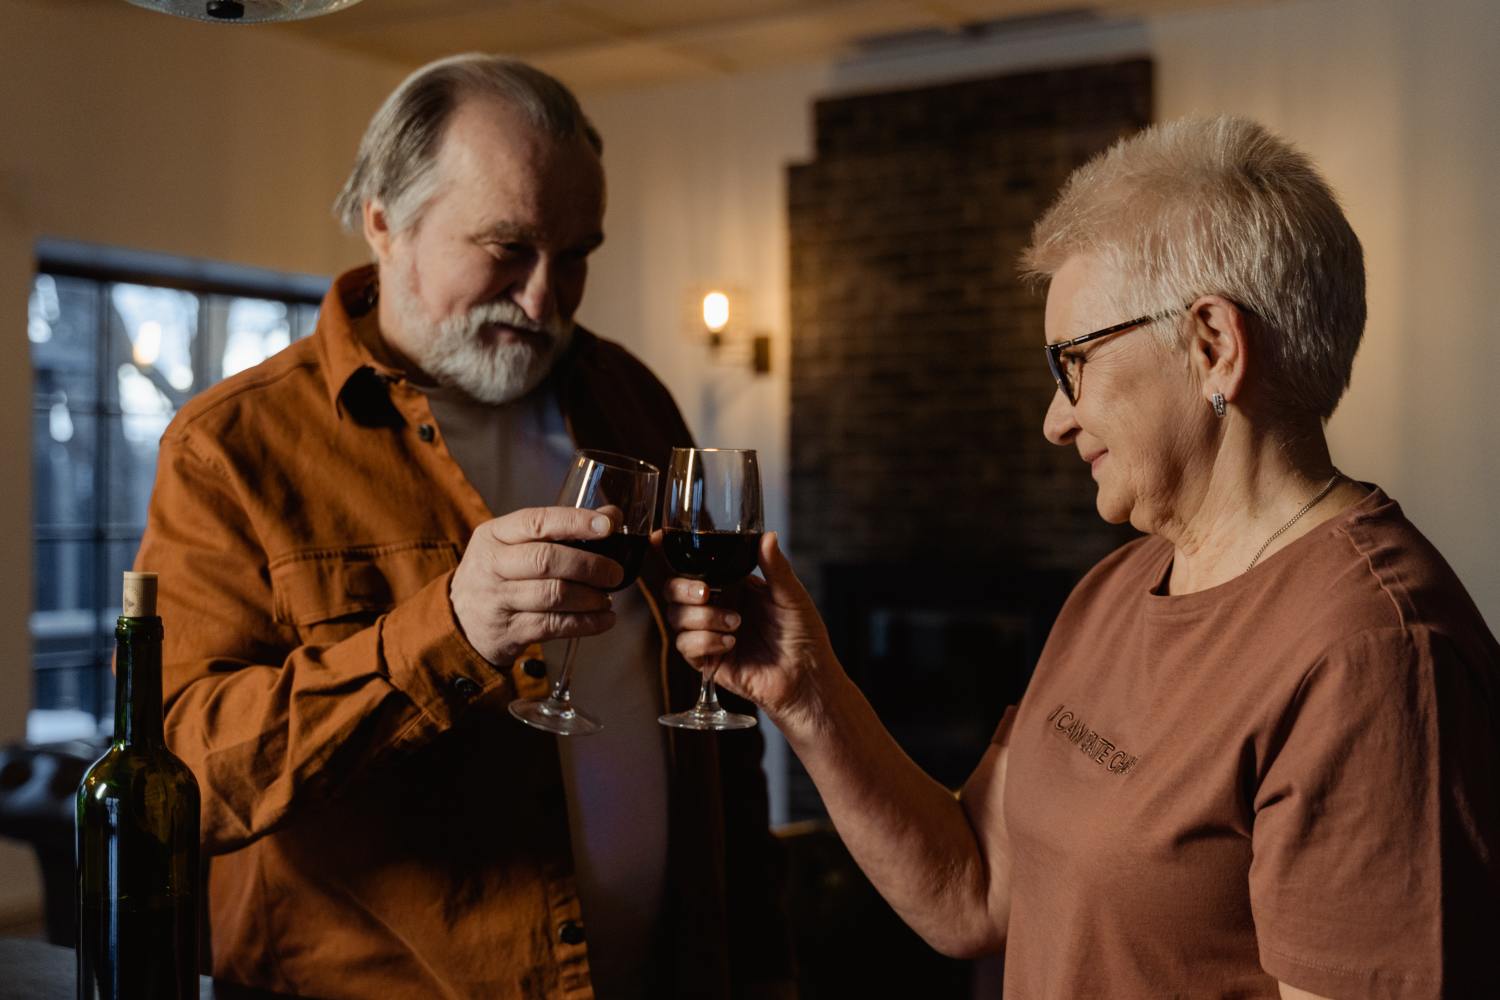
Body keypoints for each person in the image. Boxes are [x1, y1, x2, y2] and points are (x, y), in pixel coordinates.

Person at [666, 115, 1500, 999]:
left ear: (1212, 345)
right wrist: (807, 691)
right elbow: (975, 889)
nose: (1054, 418)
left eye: (1074, 363)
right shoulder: (1119, 584)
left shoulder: (1375, 656)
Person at [136, 54, 791, 1000]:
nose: (544, 300)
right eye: (508, 247)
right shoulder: (231, 447)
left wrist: (762, 964)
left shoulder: (628, 396)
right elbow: (179, 777)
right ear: (384, 222)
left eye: (576, 256)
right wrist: (452, 631)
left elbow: (716, 731)